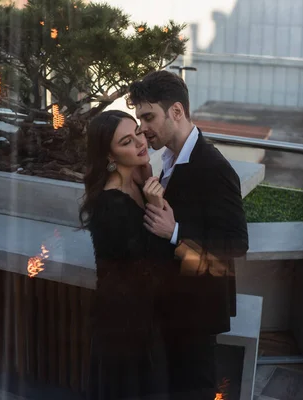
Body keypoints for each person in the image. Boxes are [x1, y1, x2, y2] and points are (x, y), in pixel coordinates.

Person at [127, 69, 249, 399]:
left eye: (148, 117)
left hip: (197, 309)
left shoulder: (214, 168)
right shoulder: (166, 159)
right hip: (172, 303)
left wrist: (175, 232)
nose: (143, 128)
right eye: (139, 118)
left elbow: (236, 245)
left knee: (193, 390)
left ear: (177, 111)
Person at [79, 110, 172, 400]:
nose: (140, 143)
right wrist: (157, 202)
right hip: (123, 328)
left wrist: (148, 188)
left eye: (138, 133)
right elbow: (155, 261)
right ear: (110, 156)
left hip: (141, 319)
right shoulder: (111, 205)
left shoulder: (136, 183)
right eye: (127, 141)